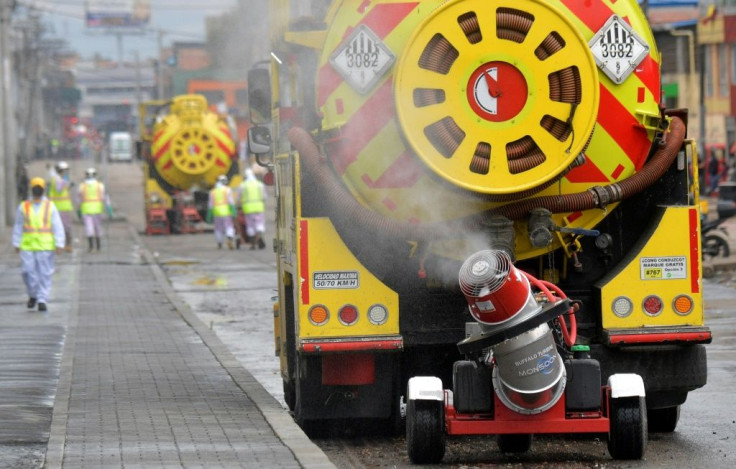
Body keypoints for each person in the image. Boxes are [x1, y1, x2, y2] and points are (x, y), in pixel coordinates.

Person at [12, 177, 65, 312]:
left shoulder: (50, 206)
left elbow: (57, 225)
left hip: (45, 245)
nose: (37, 190)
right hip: (28, 245)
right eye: (35, 187)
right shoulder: (24, 206)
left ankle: (42, 299)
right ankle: (33, 294)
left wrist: (59, 243)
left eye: (39, 187)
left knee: (44, 273)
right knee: (27, 272)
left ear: (43, 189)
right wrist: (16, 242)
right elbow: (18, 225)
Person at [77, 167, 112, 252]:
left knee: (89, 228)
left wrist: (78, 211)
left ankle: (91, 247)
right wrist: (109, 209)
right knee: (98, 228)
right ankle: (98, 247)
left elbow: (78, 200)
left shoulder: (82, 186)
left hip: (86, 210)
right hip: (97, 210)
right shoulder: (100, 185)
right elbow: (106, 198)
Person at [48, 161, 74, 252]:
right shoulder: (57, 179)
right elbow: (59, 190)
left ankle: (66, 245)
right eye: (65, 170)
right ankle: (63, 245)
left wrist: (68, 186)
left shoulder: (60, 179)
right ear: (61, 170)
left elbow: (63, 190)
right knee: (63, 227)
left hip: (62, 207)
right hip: (59, 207)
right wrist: (64, 182)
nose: (67, 172)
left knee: (65, 227)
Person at [238, 168, 267, 250]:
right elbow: (264, 197)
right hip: (259, 207)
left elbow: (239, 197)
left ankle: (252, 242)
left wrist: (239, 205)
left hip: (248, 208)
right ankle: (260, 232)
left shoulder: (243, 185)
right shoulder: (259, 184)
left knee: (250, 225)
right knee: (259, 223)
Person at [206, 175, 236, 249]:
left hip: (217, 213)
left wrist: (209, 214)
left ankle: (219, 243)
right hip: (226, 213)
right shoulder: (227, 190)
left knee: (218, 229)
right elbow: (231, 202)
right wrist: (234, 211)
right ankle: (230, 238)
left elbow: (210, 205)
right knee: (229, 227)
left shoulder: (212, 192)